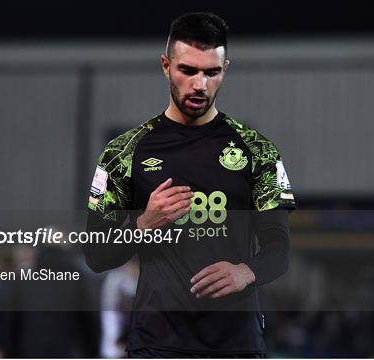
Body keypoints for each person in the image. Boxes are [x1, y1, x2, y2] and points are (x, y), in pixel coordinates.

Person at [83, 12, 296, 358]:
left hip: (236, 345)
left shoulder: (257, 150)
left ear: (225, 69)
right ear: (166, 66)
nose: (200, 84)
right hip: (157, 344)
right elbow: (94, 254)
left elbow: (279, 248)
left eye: (211, 72)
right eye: (188, 71)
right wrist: (142, 225)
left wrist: (247, 271)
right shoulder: (124, 152)